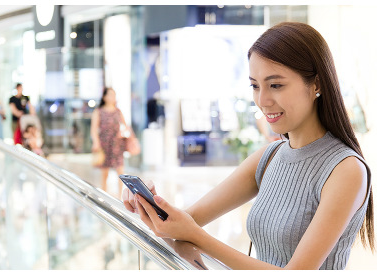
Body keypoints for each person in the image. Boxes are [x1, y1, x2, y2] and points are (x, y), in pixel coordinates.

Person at [122, 22, 374, 270]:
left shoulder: (345, 169)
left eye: (276, 85)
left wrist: (199, 237)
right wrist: (148, 202)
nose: (262, 100)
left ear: (316, 84)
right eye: (255, 85)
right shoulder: (269, 156)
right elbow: (185, 221)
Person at [91, 87, 127, 198]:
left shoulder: (118, 111)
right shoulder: (99, 111)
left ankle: (121, 196)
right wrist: (96, 142)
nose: (112, 97)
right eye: (110, 95)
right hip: (104, 143)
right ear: (104, 97)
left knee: (120, 170)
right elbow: (93, 129)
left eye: (114, 95)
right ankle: (104, 195)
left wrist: (122, 132)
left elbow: (125, 126)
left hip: (117, 143)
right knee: (105, 172)